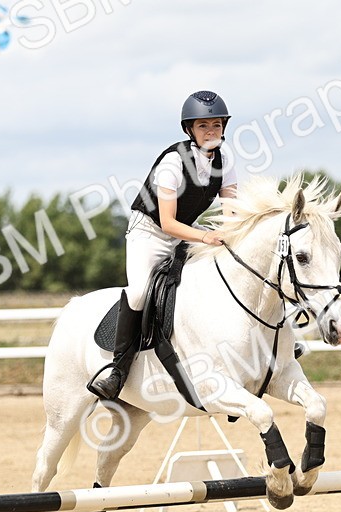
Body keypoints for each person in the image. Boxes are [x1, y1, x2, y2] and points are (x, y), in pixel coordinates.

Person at [87, 90, 239, 400]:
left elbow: (232, 213)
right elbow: (168, 223)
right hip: (151, 232)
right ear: (189, 130)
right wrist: (208, 237)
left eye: (216, 126)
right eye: (203, 126)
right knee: (141, 291)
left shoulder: (226, 159)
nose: (211, 132)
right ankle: (118, 371)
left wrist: (233, 238)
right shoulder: (173, 161)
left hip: (188, 231)